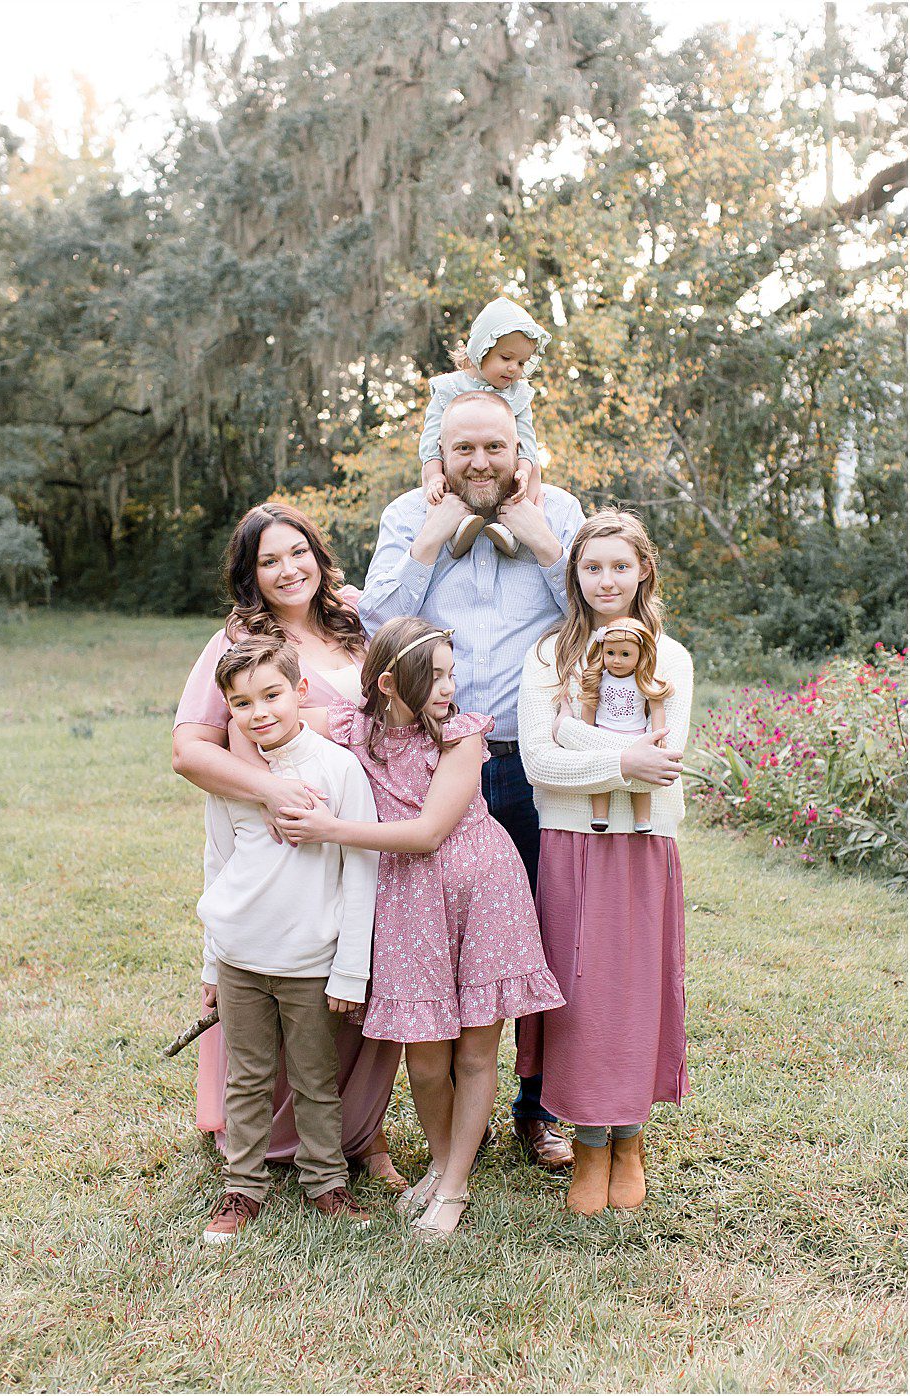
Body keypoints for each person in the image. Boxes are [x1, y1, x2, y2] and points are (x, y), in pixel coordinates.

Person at [359, 392, 585, 1172]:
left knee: (542, 936)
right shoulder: (403, 516)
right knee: (437, 937)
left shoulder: (558, 509)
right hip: (427, 765)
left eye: (494, 446)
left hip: (529, 761)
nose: (480, 462)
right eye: (464, 450)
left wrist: (545, 546)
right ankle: (460, 1117)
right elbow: (374, 628)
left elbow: (597, 614)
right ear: (441, 455)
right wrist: (424, 546)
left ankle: (540, 1109)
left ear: (519, 445)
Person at [283, 617, 565, 1238]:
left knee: (474, 1050)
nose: (447, 687)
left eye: (450, 673)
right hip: (410, 908)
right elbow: (262, 727)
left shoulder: (460, 738)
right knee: (427, 1058)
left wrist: (331, 830)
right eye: (432, 675)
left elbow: (427, 832)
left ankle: (456, 1190)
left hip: (481, 894)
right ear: (387, 682)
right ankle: (442, 1165)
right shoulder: (352, 732)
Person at [172, 502, 403, 1189]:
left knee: (361, 984)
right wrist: (270, 792)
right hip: (294, 834)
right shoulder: (240, 643)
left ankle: (363, 1132)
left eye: (297, 552)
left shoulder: (358, 619)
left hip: (373, 827)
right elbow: (189, 751)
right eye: (268, 560)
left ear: (318, 553)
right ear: (249, 574)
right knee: (300, 985)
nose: (287, 569)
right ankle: (271, 1144)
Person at [517, 508, 693, 1217]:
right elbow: (539, 763)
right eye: (593, 567)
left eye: (620, 565)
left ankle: (630, 1140)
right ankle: (590, 1143)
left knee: (637, 991)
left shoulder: (669, 657)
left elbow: (665, 764)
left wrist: (586, 753)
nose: (606, 580)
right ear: (575, 575)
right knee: (582, 995)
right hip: (570, 843)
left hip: (646, 846)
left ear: (643, 570)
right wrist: (620, 757)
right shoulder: (548, 656)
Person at [199, 636, 380, 1240]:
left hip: (310, 961)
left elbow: (361, 868)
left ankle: (326, 1181)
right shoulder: (236, 779)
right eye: (242, 703)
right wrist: (209, 967)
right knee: (246, 1077)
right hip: (240, 957)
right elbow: (217, 863)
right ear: (229, 711)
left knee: (313, 1077)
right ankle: (242, 1188)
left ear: (301, 693)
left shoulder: (338, 768)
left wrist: (351, 968)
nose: (260, 713)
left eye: (272, 695)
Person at [419, 297, 551, 557]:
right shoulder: (449, 389)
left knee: (533, 467)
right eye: (506, 358)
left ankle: (513, 529)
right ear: (481, 349)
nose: (514, 368)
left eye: (522, 363)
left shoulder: (518, 395)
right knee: (436, 473)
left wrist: (523, 470)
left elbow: (526, 439)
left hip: (504, 478)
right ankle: (453, 530)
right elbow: (431, 438)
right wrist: (435, 474)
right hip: (454, 475)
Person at [576, 619, 672, 833]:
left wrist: (658, 735)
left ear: (640, 656)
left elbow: (657, 708)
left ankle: (642, 818)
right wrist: (584, 731)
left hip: (635, 737)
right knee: (600, 775)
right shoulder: (599, 679)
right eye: (610, 653)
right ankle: (599, 815)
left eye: (625, 654)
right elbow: (589, 705)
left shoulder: (643, 681)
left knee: (641, 779)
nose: (616, 660)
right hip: (602, 735)